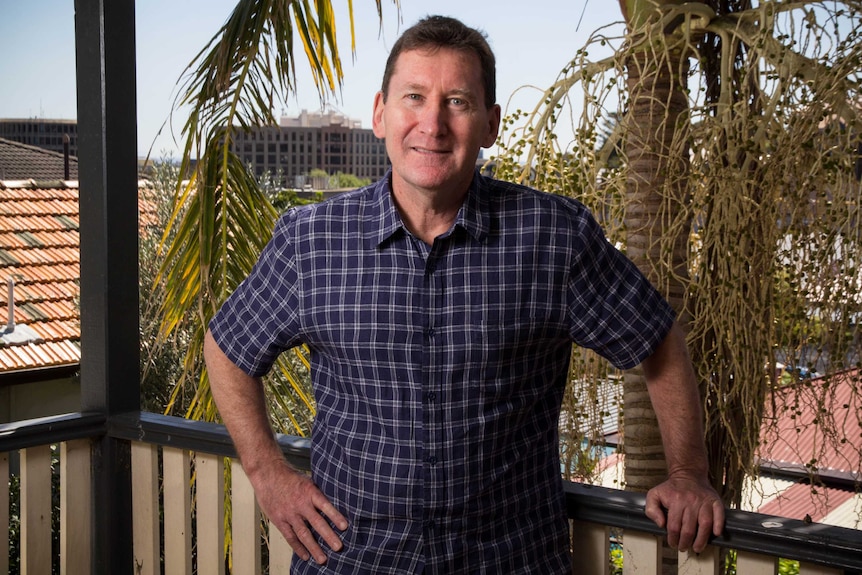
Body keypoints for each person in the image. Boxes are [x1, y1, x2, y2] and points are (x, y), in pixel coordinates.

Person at [204, 14, 725, 574]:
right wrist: (267, 474)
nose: (432, 124)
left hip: (510, 560)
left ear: (490, 124)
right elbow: (229, 347)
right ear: (380, 114)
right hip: (353, 560)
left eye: (457, 101)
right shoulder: (310, 241)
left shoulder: (553, 237)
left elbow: (656, 339)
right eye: (414, 97)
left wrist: (688, 474)